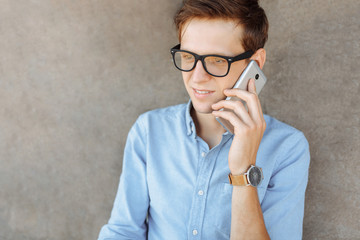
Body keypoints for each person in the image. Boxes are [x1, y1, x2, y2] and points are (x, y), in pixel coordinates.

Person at [98, 0, 310, 239]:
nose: (197, 78)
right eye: (188, 57)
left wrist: (243, 170)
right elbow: (122, 231)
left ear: (255, 64)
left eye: (217, 60)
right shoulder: (149, 131)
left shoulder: (287, 148)